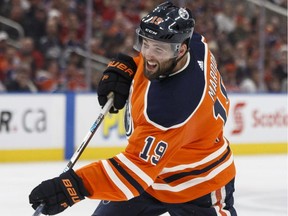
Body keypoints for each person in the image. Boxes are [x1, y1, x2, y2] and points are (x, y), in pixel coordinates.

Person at [29, 2, 237, 216]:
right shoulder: (196, 44)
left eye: (158, 49)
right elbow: (156, 53)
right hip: (153, 180)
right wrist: (129, 66)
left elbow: (131, 174)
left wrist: (72, 187)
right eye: (145, 44)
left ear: (181, 49)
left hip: (198, 185)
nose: (148, 55)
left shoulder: (170, 109)